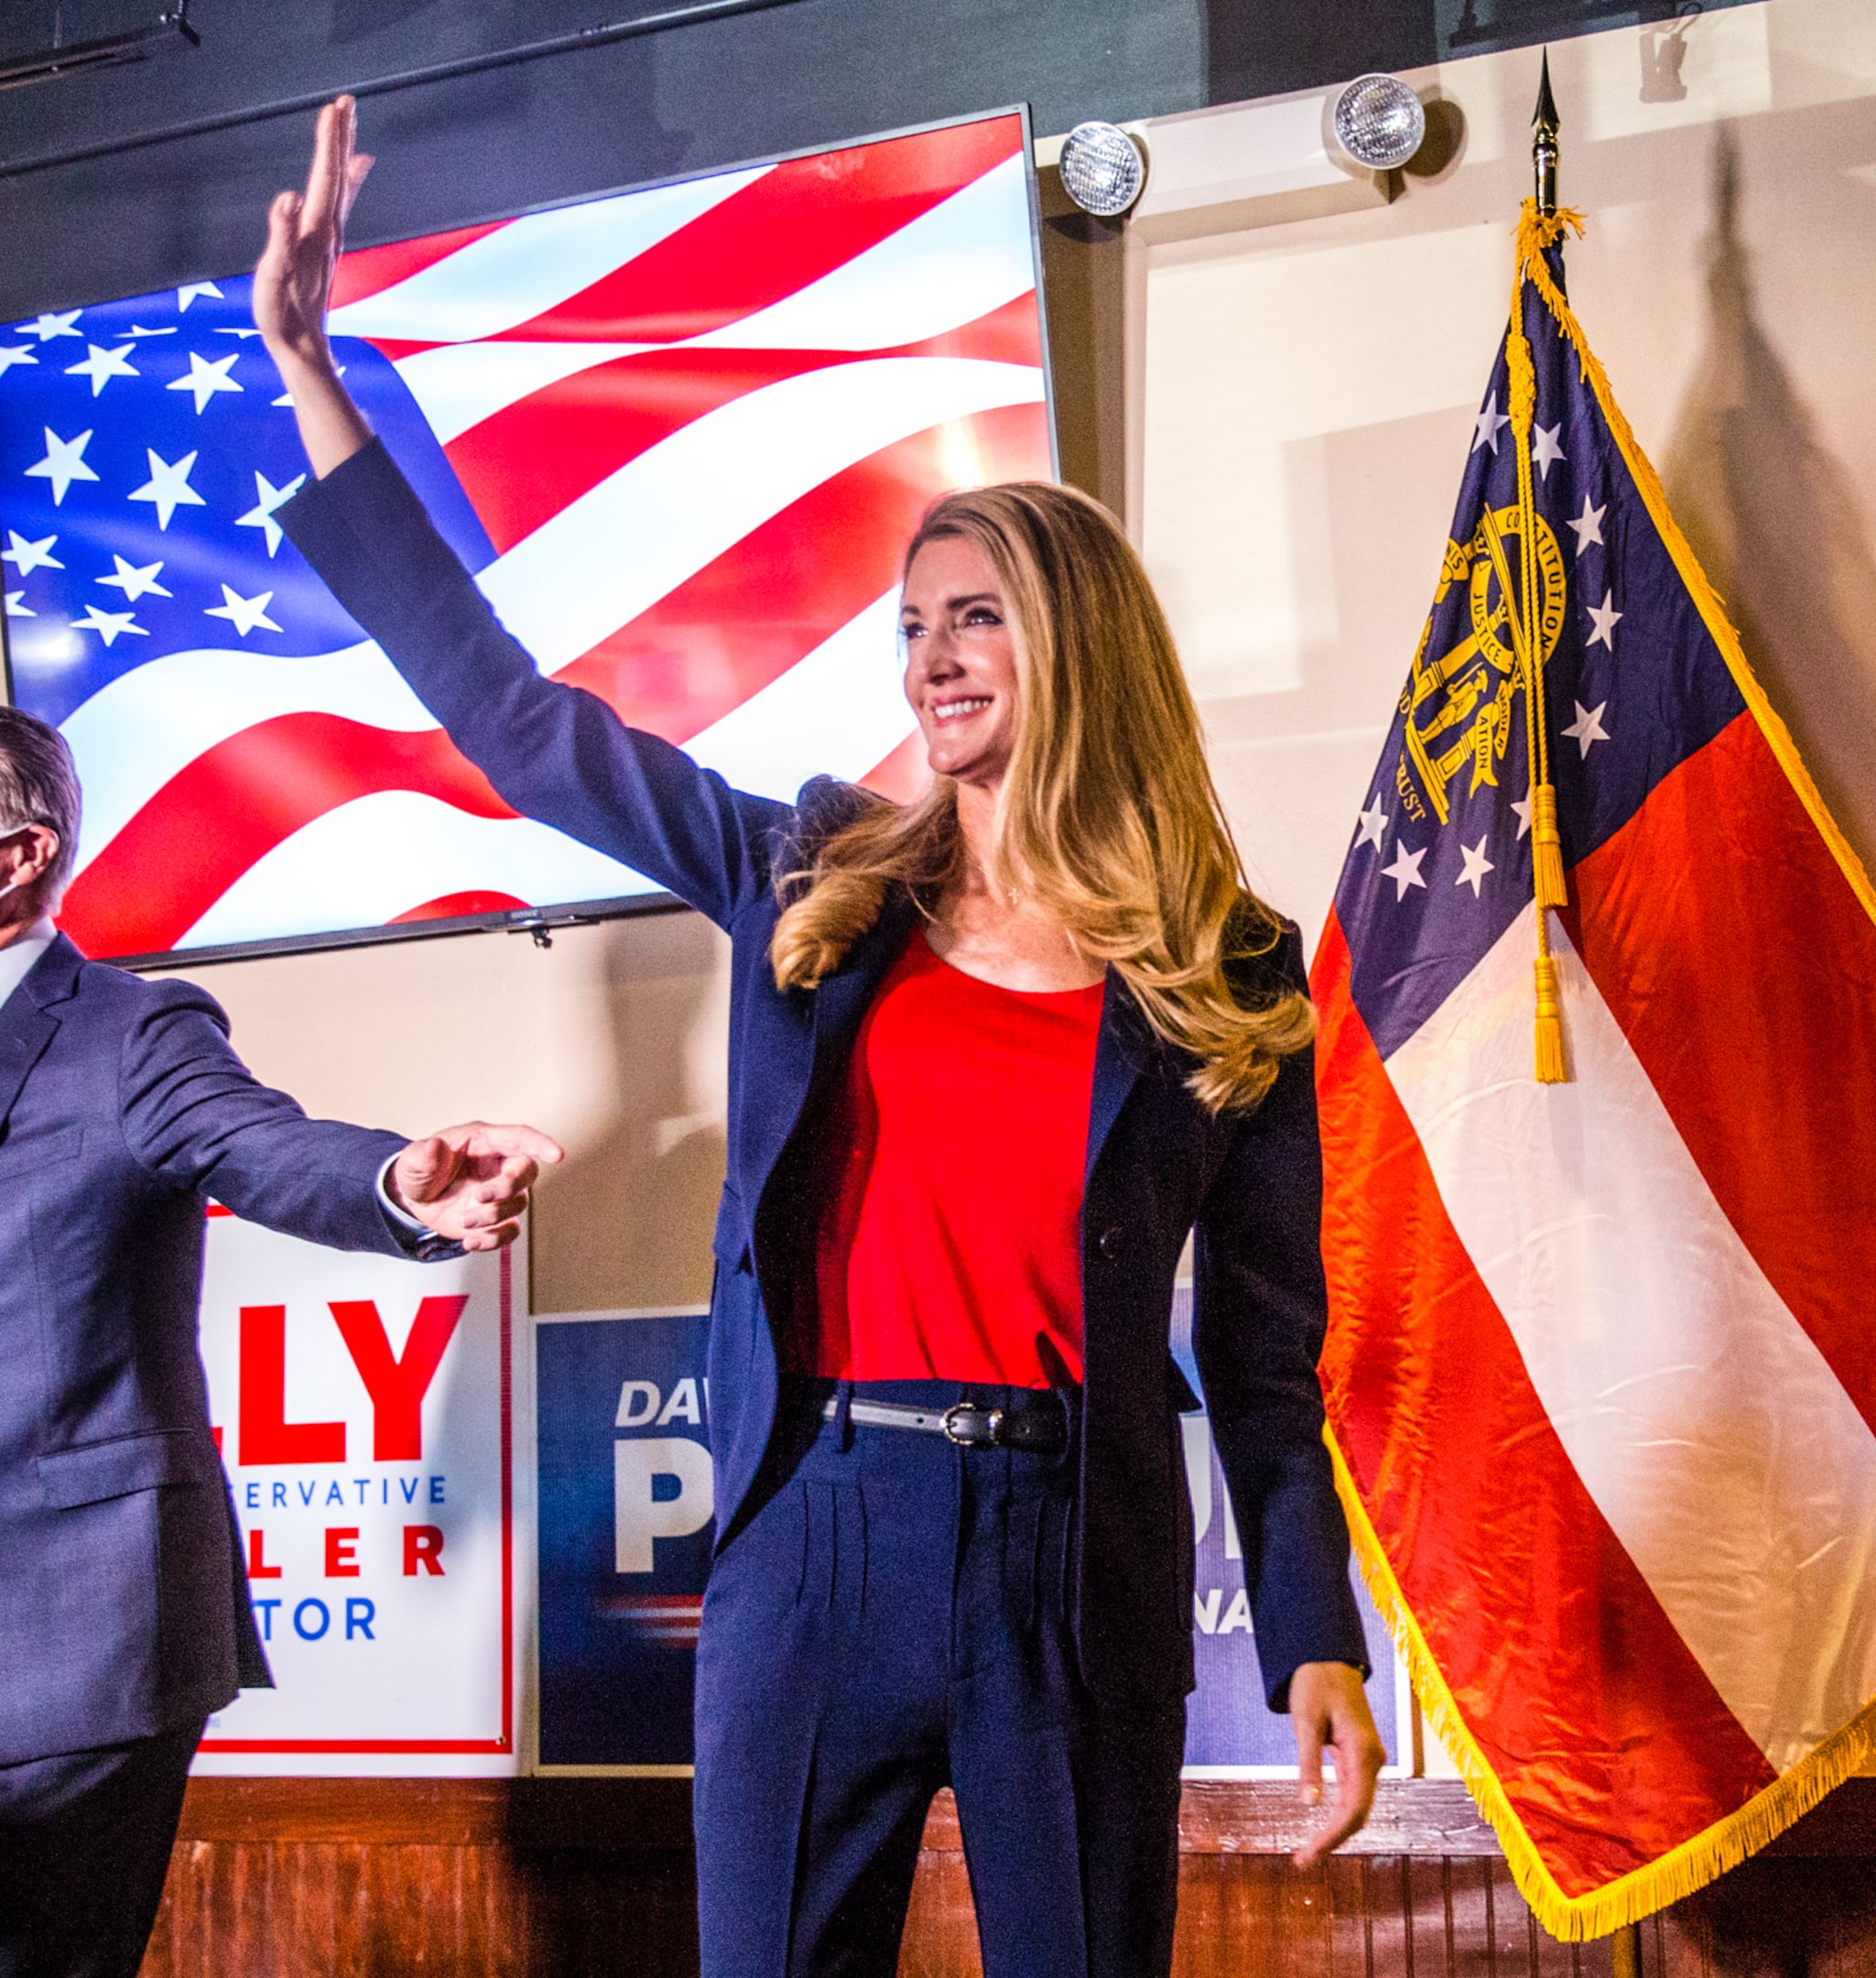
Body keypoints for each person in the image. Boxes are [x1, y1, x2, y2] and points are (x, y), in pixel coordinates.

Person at [251, 96, 1382, 1977]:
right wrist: (309, 371)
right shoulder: (807, 879)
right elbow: (523, 728)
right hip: (814, 1531)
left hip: (1072, 1558)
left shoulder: (1231, 969)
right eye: (913, 623)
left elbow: (1265, 1366)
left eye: (978, 619)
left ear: (1078, 643)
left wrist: (1312, 1631)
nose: (930, 654)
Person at [0, 702, 561, 1978]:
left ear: (23, 854)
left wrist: (398, 1188)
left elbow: (259, 1145)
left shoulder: (130, 1032)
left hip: (85, 1643)